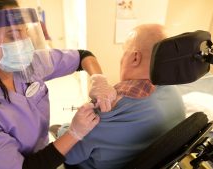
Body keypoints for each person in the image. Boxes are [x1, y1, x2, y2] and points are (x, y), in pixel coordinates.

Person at [0, 0, 116, 169]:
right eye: (13, 35)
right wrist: (74, 134)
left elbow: (83, 56)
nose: (25, 42)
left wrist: (98, 79)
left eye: (25, 31)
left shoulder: (26, 64)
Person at [59, 24, 186, 169]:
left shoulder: (113, 107)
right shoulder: (174, 91)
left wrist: (65, 129)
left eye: (124, 52)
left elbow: (68, 156)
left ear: (135, 58)